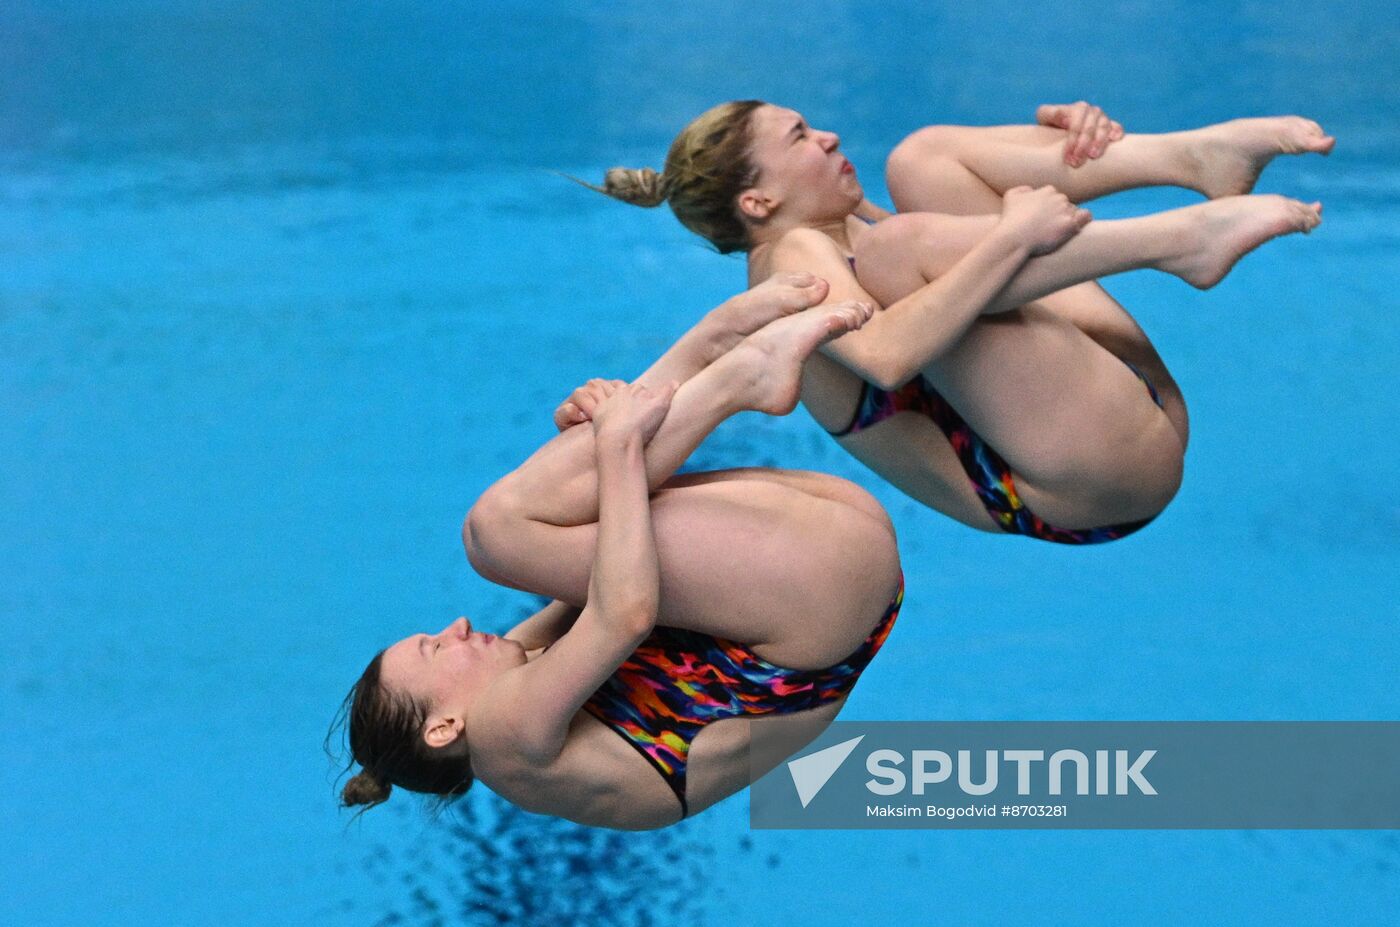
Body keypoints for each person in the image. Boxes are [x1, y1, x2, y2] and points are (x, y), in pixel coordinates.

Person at [581, 101, 1332, 543]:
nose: (830, 138)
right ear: (758, 204)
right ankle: (1179, 240)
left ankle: (1186, 161)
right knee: (904, 248)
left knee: (923, 159)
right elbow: (881, 356)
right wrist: (1012, 232)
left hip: (1121, 416)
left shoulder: (848, 233)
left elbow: (978, 225)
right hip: (1083, 484)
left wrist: (1058, 141)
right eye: (801, 138)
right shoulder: (792, 262)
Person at [336, 287, 905, 829]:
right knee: (494, 535)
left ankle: (722, 355)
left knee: (544, 519)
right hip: (817, 597)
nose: (457, 625)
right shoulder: (500, 737)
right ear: (443, 728)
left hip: (841, 592)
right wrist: (615, 444)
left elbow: (598, 563)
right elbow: (625, 612)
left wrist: (581, 446)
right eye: (436, 648)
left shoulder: (524, 690)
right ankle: (726, 364)